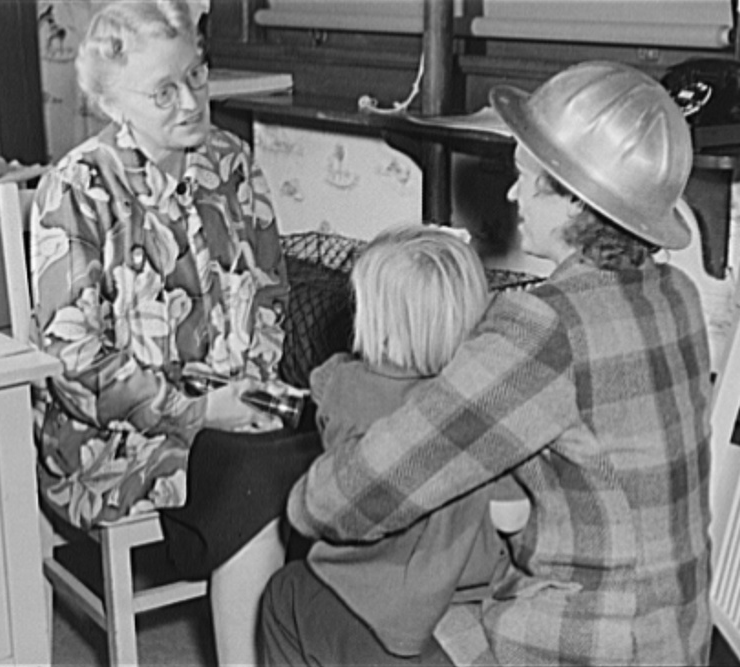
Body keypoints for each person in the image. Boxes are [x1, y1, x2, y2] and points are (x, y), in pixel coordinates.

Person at [259, 60, 713, 666]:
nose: (512, 194)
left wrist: (303, 503)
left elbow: (376, 483)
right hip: (673, 643)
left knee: (289, 597)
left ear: (575, 200)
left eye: (527, 178)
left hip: (575, 648)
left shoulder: (546, 326)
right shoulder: (677, 295)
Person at [30, 1, 295, 663]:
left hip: (231, 404)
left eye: (195, 76)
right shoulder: (77, 186)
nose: (190, 101)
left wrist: (253, 389)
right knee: (257, 478)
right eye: (163, 91)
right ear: (112, 103)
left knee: (339, 444)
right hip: (110, 437)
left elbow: (270, 292)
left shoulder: (232, 163)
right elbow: (74, 362)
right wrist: (199, 411)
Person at [303, 224, 530, 659]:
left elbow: (321, 392)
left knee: (284, 599)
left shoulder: (341, 382)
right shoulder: (480, 405)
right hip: (470, 589)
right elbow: (512, 515)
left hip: (368, 588)